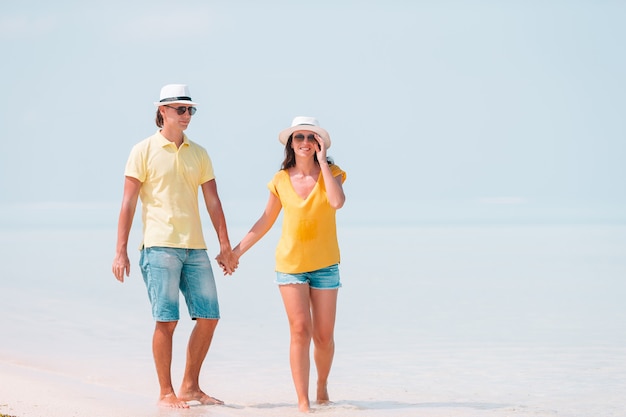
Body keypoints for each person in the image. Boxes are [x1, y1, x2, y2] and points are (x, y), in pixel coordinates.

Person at [112, 84, 237, 409]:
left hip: (195, 248)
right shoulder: (142, 150)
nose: (187, 115)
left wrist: (225, 245)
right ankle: (165, 392)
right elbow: (128, 202)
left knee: (209, 317)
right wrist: (120, 250)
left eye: (190, 110)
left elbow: (213, 200)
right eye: (181, 109)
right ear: (163, 111)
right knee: (166, 320)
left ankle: (190, 387)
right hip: (158, 247)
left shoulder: (199, 153)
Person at [218, 116, 346, 412]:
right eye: (298, 137)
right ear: (291, 143)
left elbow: (337, 202)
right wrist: (235, 252)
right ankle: (303, 403)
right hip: (290, 266)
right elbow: (265, 222)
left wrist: (323, 163)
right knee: (300, 329)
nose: (304, 143)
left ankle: (321, 387)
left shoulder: (334, 173)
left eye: (311, 138)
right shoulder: (280, 180)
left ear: (319, 143)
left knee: (324, 337)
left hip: (326, 265)